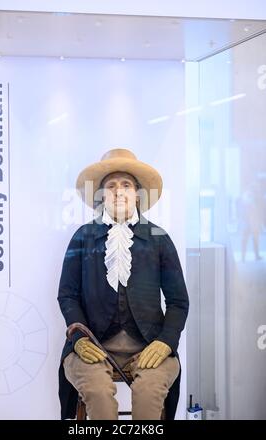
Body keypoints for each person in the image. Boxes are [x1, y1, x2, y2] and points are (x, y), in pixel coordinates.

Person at [58, 148, 189, 420]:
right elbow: (67, 295)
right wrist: (79, 338)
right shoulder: (82, 237)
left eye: (126, 185)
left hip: (150, 345)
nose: (119, 192)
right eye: (111, 186)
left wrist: (166, 342)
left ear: (137, 194)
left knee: (149, 394)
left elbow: (178, 301)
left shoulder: (159, 239)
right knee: (97, 392)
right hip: (92, 344)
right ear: (102, 195)